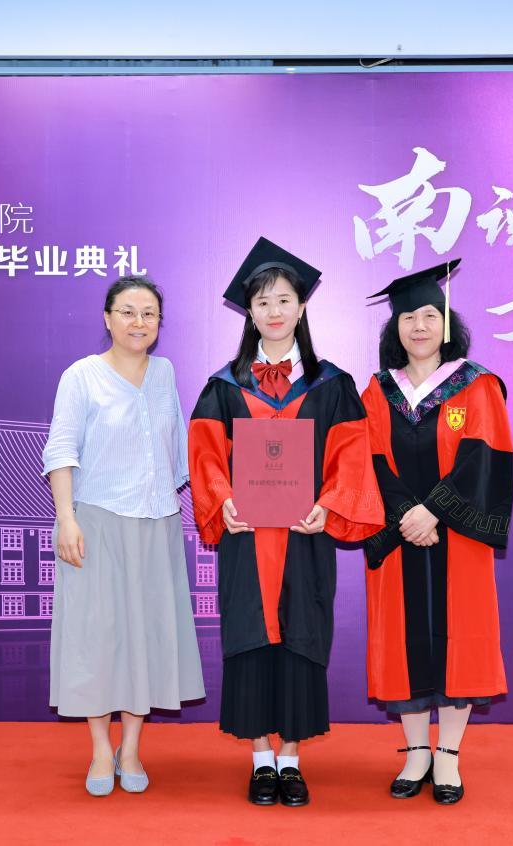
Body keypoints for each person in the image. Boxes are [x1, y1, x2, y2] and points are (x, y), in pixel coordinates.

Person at [189, 237, 384, 807]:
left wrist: (331, 503)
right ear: (249, 313)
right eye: (262, 302)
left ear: (301, 308)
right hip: (247, 539)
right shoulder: (225, 386)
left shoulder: (332, 385)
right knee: (250, 638)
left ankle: (292, 761)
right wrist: (223, 500)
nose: (273, 311)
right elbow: (206, 456)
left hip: (304, 536)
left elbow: (352, 455)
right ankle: (260, 761)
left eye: (284, 300)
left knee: (301, 636)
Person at [360, 260, 513, 805]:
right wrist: (408, 514)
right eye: (408, 317)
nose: (419, 326)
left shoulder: (477, 384)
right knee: (403, 642)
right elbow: (370, 460)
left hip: (458, 538)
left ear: (446, 323)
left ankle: (447, 755)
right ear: (395, 328)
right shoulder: (378, 391)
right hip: (400, 533)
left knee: (458, 639)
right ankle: (416, 752)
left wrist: (434, 512)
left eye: (430, 315)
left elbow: (484, 458)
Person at [42, 275, 205, 797]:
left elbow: (179, 452)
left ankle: (130, 748)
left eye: (149, 313)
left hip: (157, 523)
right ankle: (98, 749)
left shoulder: (165, 373)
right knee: (97, 638)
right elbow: (61, 450)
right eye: (128, 312)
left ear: (159, 322)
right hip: (96, 523)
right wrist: (66, 518)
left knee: (147, 636)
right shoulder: (81, 376)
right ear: (107, 318)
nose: (139, 322)